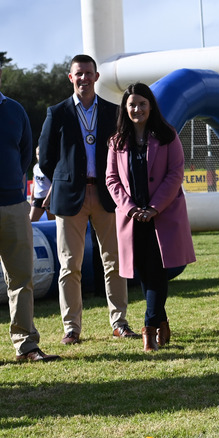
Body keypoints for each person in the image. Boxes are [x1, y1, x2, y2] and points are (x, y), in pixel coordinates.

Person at [38, 54, 139, 345]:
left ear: (96, 77)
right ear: (71, 78)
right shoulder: (56, 112)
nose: (83, 78)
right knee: (70, 265)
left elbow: (124, 152)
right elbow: (46, 158)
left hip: (108, 194)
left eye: (88, 73)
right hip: (70, 197)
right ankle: (72, 328)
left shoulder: (113, 111)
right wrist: (65, 177)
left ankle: (119, 322)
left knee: (114, 262)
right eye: (78, 74)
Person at [106, 82, 196, 352]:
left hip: (162, 217)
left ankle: (149, 329)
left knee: (157, 272)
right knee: (146, 275)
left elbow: (175, 174)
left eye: (142, 104)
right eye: (132, 104)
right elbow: (112, 180)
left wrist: (154, 208)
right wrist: (131, 208)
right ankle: (163, 320)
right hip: (132, 219)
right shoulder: (117, 141)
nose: (137, 109)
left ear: (151, 106)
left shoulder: (168, 135)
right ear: (125, 108)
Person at [0, 67, 60, 362]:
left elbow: (24, 155)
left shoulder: (15, 110)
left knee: (22, 278)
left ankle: (26, 346)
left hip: (13, 205)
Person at [29, 146, 55, 222]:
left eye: (41, 154)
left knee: (52, 223)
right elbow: (34, 183)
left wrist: (47, 199)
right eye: (37, 154)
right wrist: (32, 197)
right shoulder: (35, 167)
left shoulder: (50, 168)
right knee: (31, 221)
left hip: (49, 199)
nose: (39, 156)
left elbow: (54, 184)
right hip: (38, 198)